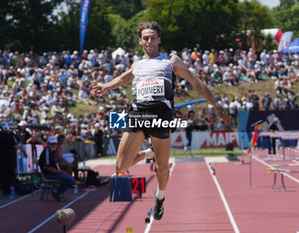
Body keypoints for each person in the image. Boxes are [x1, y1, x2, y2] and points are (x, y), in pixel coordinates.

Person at [92, 21, 230, 220]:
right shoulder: (137, 65)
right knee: (120, 167)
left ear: (159, 39)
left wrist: (217, 105)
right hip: (138, 115)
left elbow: (196, 83)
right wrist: (106, 86)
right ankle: (149, 153)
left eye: (153, 37)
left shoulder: (171, 61)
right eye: (145, 38)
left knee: (162, 168)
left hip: (161, 117)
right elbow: (123, 79)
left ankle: (160, 197)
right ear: (140, 41)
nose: (149, 41)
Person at [38, 135, 74, 202]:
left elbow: (58, 160)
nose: (54, 145)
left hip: (53, 172)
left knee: (69, 173)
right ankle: (57, 192)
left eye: (55, 143)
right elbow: (48, 168)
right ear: (48, 143)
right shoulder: (47, 152)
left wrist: (65, 167)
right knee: (70, 179)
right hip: (48, 174)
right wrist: (60, 172)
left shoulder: (52, 151)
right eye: (52, 143)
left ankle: (58, 192)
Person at [0, 122, 23, 197]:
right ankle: (12, 190)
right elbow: (16, 146)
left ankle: (6, 191)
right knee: (11, 175)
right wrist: (20, 146)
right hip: (10, 159)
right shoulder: (11, 135)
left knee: (3, 176)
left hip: (2, 158)